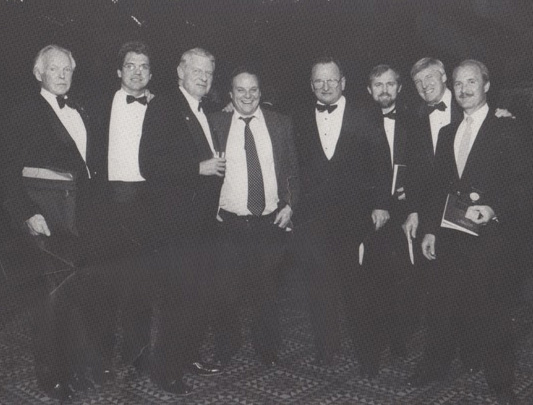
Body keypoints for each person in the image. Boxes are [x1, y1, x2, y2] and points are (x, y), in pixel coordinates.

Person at [410, 59, 532, 405]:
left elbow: (525, 185)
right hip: (450, 236)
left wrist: (494, 208)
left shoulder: (508, 127)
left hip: (492, 238)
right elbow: (439, 189)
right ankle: (437, 366)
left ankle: (501, 384)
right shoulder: (449, 132)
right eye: (458, 83)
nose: (463, 89)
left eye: (471, 82)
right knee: (443, 305)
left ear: (486, 85)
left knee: (494, 313)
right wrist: (431, 230)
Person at [2, 44, 100, 400]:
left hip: (77, 216)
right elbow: (6, 169)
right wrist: (27, 213)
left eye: (67, 70)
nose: (62, 76)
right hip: (44, 217)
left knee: (76, 296)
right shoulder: (23, 111)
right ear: (38, 73)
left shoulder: (81, 108)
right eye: (54, 69)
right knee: (50, 301)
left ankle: (73, 369)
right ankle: (50, 376)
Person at [293, 57, 390, 377]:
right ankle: (326, 348)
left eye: (331, 80)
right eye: (318, 81)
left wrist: (381, 204)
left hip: (354, 218)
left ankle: (368, 355)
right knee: (319, 288)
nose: (325, 86)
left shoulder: (365, 111)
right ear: (311, 85)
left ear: (343, 82)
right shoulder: (299, 116)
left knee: (359, 291)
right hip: (313, 221)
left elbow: (381, 161)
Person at [139, 47, 223, 395]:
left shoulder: (203, 109)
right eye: (197, 71)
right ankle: (165, 371)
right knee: (178, 298)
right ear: (180, 71)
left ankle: (186, 356)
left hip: (202, 222)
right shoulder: (164, 105)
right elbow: (149, 163)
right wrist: (197, 168)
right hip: (176, 225)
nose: (203, 78)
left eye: (208, 73)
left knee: (197, 296)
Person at [208, 67, 299, 367]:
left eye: (253, 90)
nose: (247, 96)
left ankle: (267, 348)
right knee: (225, 292)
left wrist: (290, 205)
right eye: (240, 91)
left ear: (261, 92)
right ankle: (225, 347)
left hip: (269, 221)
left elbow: (292, 171)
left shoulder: (280, 123)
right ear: (230, 95)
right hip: (229, 223)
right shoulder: (216, 123)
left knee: (267, 291)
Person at [363, 64, 421, 359]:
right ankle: (376, 339)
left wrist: (411, 196)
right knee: (373, 277)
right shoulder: (358, 122)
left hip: (403, 211)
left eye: (389, 84)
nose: (384, 90)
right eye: (378, 84)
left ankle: (400, 338)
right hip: (370, 211)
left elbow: (426, 164)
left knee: (404, 277)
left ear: (399, 88)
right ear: (369, 90)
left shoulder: (415, 120)